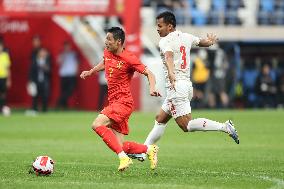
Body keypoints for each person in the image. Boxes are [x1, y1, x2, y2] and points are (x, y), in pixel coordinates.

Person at [128, 11, 239, 161]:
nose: (157, 29)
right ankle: (143, 151)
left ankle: (225, 127)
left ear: (170, 26)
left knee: (186, 126)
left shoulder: (165, 41)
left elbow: (168, 56)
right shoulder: (186, 37)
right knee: (160, 118)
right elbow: (202, 42)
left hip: (176, 86)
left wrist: (172, 73)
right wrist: (210, 41)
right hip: (185, 85)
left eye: (160, 26)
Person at [80, 27, 161, 171]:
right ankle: (149, 149)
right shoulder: (108, 52)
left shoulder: (129, 58)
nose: (106, 42)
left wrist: (152, 88)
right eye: (106, 39)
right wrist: (91, 71)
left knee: (97, 124)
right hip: (114, 102)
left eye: (109, 39)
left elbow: (150, 73)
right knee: (120, 145)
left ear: (118, 42)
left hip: (123, 102)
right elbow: (105, 63)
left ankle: (123, 158)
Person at [56, 41, 79, 109]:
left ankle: (59, 101)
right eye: (66, 46)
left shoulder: (73, 54)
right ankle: (64, 106)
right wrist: (63, 55)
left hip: (72, 74)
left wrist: (77, 71)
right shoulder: (62, 54)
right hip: (63, 74)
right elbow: (58, 62)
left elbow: (77, 62)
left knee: (70, 90)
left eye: (68, 46)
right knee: (64, 90)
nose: (67, 48)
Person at [29, 47, 51, 112]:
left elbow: (49, 70)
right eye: (41, 52)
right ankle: (34, 109)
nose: (42, 53)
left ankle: (44, 109)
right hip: (36, 80)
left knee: (45, 95)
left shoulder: (47, 60)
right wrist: (30, 80)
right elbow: (31, 71)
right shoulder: (34, 60)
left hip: (45, 80)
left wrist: (44, 67)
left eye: (43, 52)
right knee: (35, 95)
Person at [0, 42, 12, 116]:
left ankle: (3, 108)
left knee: (3, 94)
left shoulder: (5, 55)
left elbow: (8, 68)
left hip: (4, 77)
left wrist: (8, 79)